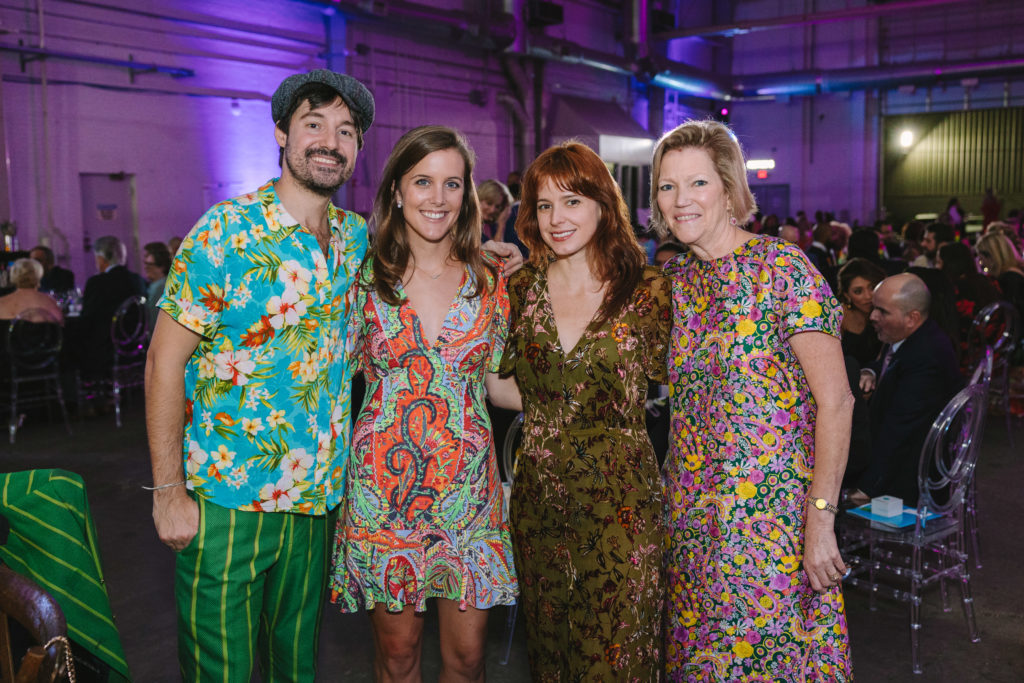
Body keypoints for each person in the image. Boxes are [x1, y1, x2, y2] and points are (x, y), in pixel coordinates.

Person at [144, 68, 376, 682]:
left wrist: (495, 254)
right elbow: (163, 361)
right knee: (220, 671)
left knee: (294, 667)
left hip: (317, 501)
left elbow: (429, 264)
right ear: (281, 134)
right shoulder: (226, 231)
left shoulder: (356, 240)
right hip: (227, 499)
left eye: (346, 130)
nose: (330, 140)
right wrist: (168, 494)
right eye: (314, 124)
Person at [651, 119, 853, 681]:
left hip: (771, 527)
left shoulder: (783, 270)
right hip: (693, 523)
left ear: (729, 188)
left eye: (696, 184)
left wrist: (820, 521)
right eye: (667, 187)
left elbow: (837, 402)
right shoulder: (677, 284)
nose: (680, 200)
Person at [330, 126, 517, 682]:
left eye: (451, 184)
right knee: (397, 658)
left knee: (466, 661)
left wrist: (582, 399)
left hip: (469, 500)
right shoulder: (360, 279)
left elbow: (501, 386)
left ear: (467, 196)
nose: (436, 198)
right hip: (384, 500)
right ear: (395, 191)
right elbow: (330, 376)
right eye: (422, 182)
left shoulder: (492, 280)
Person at [494, 141, 671, 680]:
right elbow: (500, 388)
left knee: (617, 658)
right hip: (539, 500)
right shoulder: (519, 288)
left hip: (622, 503)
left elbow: (682, 389)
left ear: (602, 204)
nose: (555, 218)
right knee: (551, 653)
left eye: (571, 201)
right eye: (543, 205)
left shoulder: (649, 290)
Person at [849, 274, 962, 506]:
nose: (872, 316)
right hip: (902, 458)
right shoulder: (916, 337)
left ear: (912, 318)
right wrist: (871, 371)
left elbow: (898, 432)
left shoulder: (926, 358)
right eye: (874, 308)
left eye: (882, 311)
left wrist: (865, 489)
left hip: (908, 481)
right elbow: (890, 362)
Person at [79, 235, 147, 380]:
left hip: (106, 347)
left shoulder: (97, 283)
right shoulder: (138, 280)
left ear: (101, 259)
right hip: (136, 343)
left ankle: (89, 389)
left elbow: (87, 317)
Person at [937, 241, 1000, 368]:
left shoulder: (956, 290)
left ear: (948, 264)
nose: (937, 267)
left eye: (938, 263)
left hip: (967, 353)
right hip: (993, 349)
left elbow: (952, 326)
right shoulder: (987, 282)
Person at [837, 257, 887, 367]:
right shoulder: (839, 316)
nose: (868, 296)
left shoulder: (888, 310)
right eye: (858, 291)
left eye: (872, 287)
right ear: (847, 295)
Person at [0, 258, 64, 323]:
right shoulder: (50, 303)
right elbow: (60, 328)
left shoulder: (1, 303)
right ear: (39, 276)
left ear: (13, 276)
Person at [976, 231, 1024, 317]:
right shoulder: (1015, 273)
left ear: (991, 257)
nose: (981, 263)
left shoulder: (1009, 279)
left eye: (981, 258)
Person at [142, 241, 172, 332]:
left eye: (149, 265)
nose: (145, 268)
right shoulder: (156, 285)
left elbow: (154, 324)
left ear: (161, 266)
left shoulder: (161, 288)